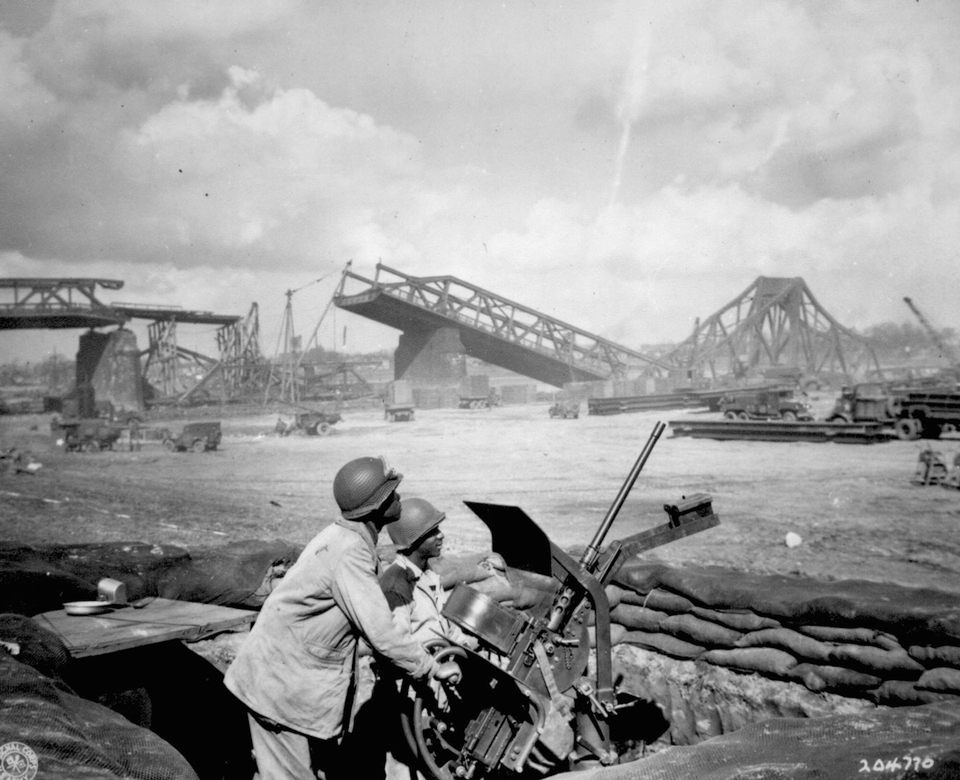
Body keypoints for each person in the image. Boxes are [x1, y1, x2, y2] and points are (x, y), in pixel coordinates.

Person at [224, 456, 461, 780]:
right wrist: (432, 668)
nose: (399, 499)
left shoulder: (346, 538)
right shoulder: (350, 552)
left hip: (284, 679)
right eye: (392, 495)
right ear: (375, 508)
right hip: (279, 688)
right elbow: (382, 631)